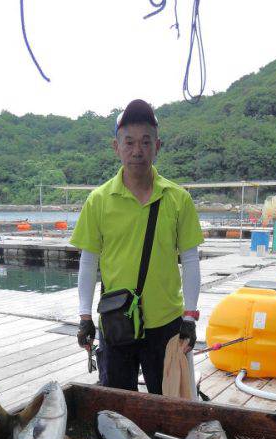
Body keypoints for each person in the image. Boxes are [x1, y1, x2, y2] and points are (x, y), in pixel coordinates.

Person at [70, 99, 203, 394]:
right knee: (118, 408)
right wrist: (84, 316)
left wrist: (190, 317)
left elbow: (191, 260)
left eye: (145, 142)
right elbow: (88, 262)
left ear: (158, 146)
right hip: (117, 322)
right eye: (129, 142)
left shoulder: (178, 199)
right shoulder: (99, 200)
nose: (137, 150)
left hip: (167, 325)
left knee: (169, 406)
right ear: (116, 147)